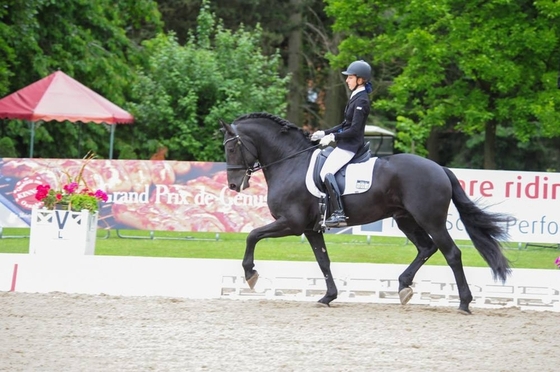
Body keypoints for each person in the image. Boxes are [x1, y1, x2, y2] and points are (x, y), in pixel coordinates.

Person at [311, 60, 372, 227]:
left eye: (350, 77)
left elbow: (354, 130)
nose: (347, 80)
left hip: (351, 146)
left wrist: (333, 138)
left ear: (360, 80)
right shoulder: (355, 97)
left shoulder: (362, 101)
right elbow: (345, 125)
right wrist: (325, 132)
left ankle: (339, 213)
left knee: (326, 172)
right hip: (345, 144)